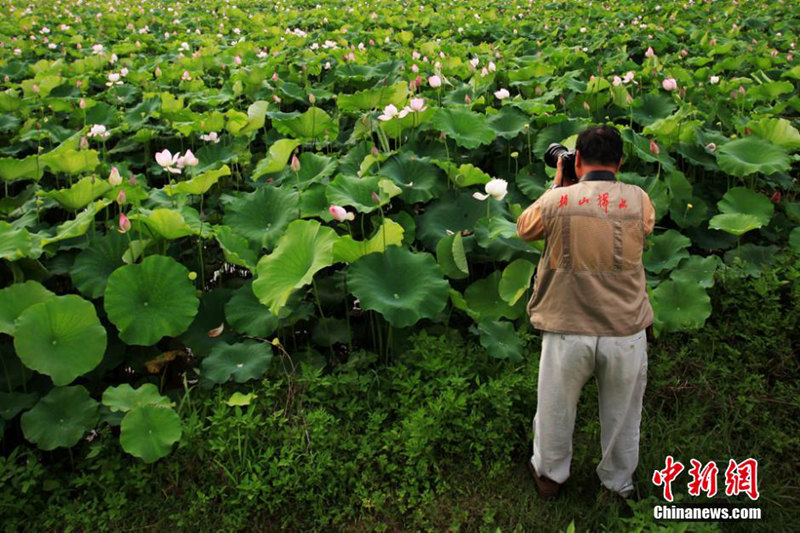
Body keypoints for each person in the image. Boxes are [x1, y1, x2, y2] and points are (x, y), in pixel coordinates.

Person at [515, 125, 656, 501]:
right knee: (624, 416)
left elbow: (524, 229)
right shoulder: (639, 199)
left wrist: (559, 187)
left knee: (554, 412)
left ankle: (550, 477)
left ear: (576, 159)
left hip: (566, 327)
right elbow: (646, 227)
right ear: (620, 162)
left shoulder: (557, 200)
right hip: (625, 328)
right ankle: (618, 485)